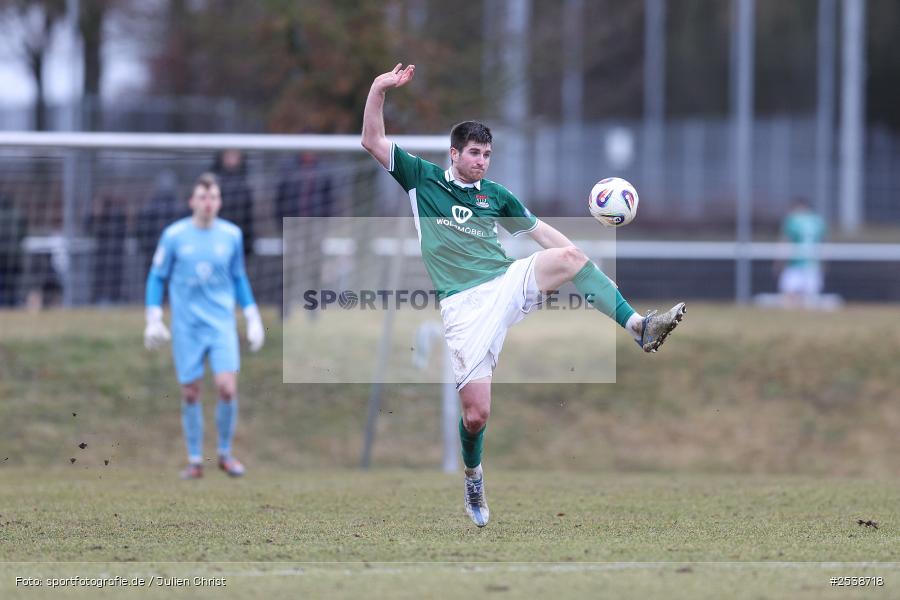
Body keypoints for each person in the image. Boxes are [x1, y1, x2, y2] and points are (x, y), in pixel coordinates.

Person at [361, 64, 687, 528]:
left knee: (569, 256)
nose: (482, 161)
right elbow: (372, 140)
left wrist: (582, 263)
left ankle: (639, 327)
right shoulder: (422, 179)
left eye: (487, 154)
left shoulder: (496, 195)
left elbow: (540, 232)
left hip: (505, 282)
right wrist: (379, 88)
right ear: (454, 153)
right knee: (476, 415)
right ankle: (473, 478)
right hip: (463, 307)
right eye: (474, 153)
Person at [143, 173, 265, 479]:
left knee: (227, 387)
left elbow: (238, 277)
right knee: (191, 392)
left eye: (213, 197)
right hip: (187, 327)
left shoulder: (232, 235)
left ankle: (225, 455)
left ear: (219, 201)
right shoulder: (174, 235)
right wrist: (153, 317)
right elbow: (157, 276)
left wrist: (252, 316)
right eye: (202, 197)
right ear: (192, 201)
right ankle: (195, 461)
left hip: (221, 325)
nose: (208, 202)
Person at [776, 198, 827, 308]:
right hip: (813, 263)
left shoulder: (793, 220)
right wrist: (823, 263)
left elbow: (785, 242)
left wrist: (779, 262)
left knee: (789, 297)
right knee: (811, 300)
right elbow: (823, 243)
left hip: (795, 262)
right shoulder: (818, 221)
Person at [85, 195, 128, 304]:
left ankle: (114, 300)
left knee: (115, 280)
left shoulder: (117, 218)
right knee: (100, 280)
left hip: (116, 256)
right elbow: (87, 228)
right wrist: (94, 215)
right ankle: (99, 300)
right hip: (101, 256)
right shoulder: (98, 219)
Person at [212, 150, 255, 258]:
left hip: (239, 240)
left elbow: (248, 216)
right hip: (216, 239)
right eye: (229, 155)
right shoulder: (213, 181)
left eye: (235, 155)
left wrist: (248, 244)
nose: (231, 159)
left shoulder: (245, 183)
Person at [0, 194, 27, 307]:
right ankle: (13, 304)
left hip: (2, 256)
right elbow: (23, 234)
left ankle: (3, 304)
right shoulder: (18, 215)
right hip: (15, 256)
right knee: (13, 284)